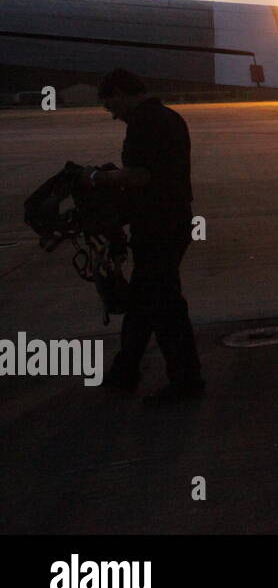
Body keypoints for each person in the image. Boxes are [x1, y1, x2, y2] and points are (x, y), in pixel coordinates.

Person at [85, 68, 204, 401]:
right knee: (143, 301)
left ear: (121, 93)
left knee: (164, 305)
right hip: (172, 220)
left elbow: (140, 176)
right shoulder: (169, 117)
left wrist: (98, 178)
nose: (113, 115)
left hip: (158, 225)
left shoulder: (144, 122)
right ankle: (126, 371)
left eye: (111, 106)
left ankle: (186, 381)